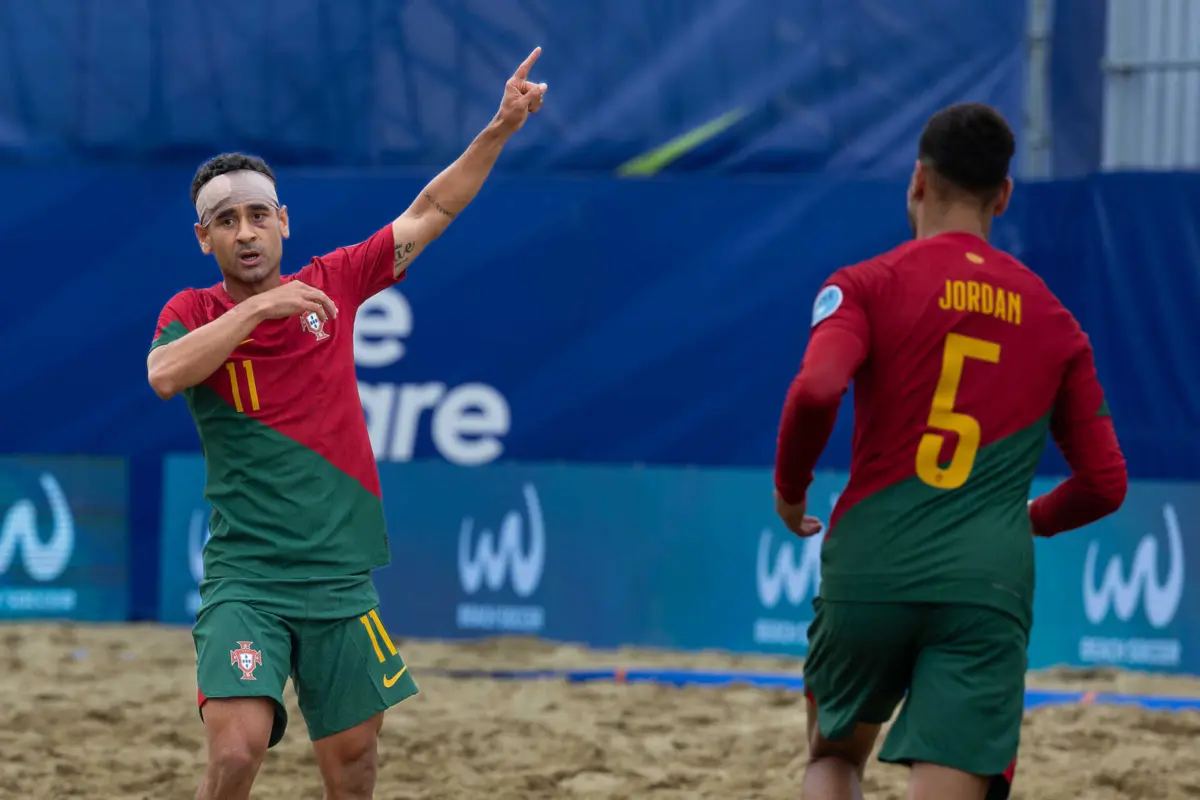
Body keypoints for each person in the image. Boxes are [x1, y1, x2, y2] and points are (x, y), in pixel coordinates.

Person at [147, 47, 548, 800]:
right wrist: (260, 309)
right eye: (225, 221)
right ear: (204, 238)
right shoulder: (192, 312)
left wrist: (498, 127)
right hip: (247, 577)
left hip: (339, 576)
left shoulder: (335, 281)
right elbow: (165, 375)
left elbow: (431, 211)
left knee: (356, 764)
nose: (245, 231)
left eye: (258, 215)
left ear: (283, 222)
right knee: (236, 753)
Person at [772, 102, 1128, 800]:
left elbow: (816, 389)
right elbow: (1105, 482)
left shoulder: (863, 284)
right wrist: (1028, 519)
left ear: (917, 181)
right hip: (984, 582)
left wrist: (791, 490)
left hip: (870, 563)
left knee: (833, 759)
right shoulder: (1055, 321)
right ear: (1004, 195)